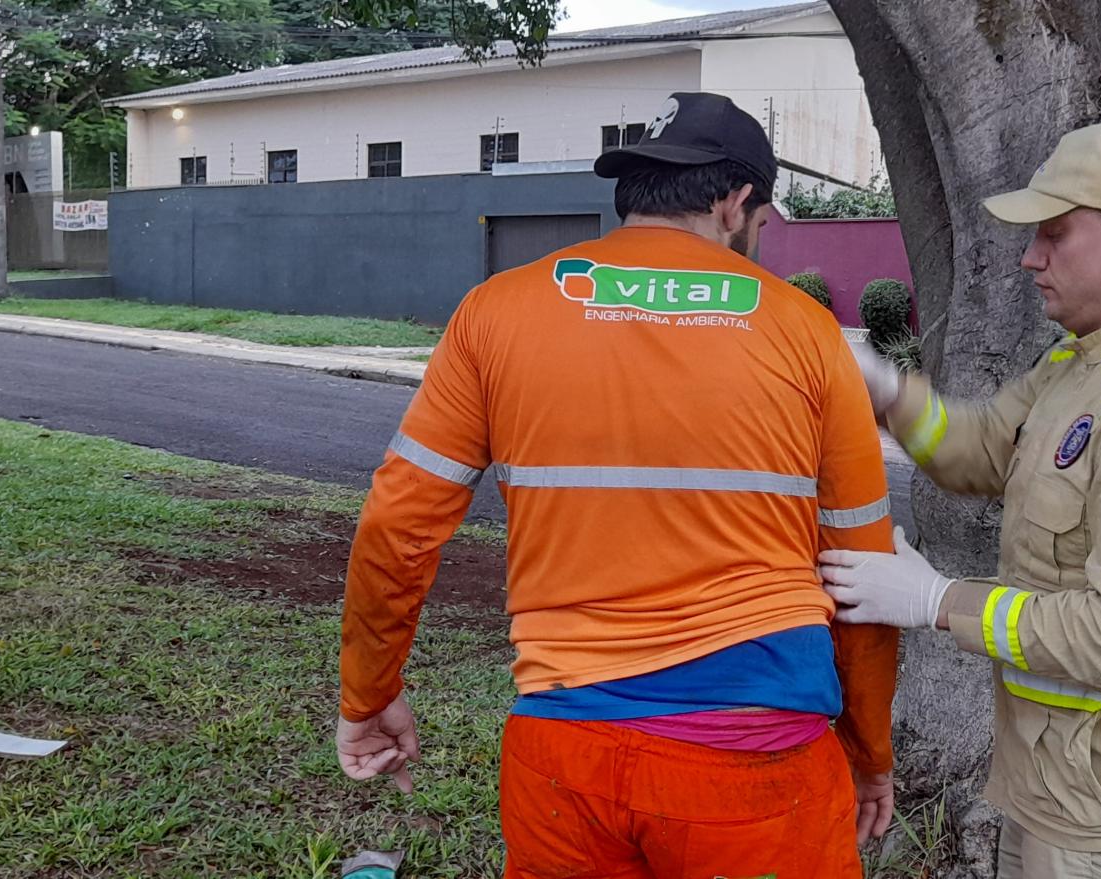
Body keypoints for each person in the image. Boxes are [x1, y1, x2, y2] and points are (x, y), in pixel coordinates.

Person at [335, 91, 900, 878]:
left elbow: (397, 524)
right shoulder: (806, 332)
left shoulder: (495, 311)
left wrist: (368, 694)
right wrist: (870, 748)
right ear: (736, 202)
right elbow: (862, 570)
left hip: (565, 747)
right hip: (757, 753)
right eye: (763, 226)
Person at [824, 122, 1101, 878]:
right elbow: (980, 450)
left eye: (1054, 234)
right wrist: (890, 391)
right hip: (1062, 795)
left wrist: (938, 599)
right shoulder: (1081, 361)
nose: (1031, 256)